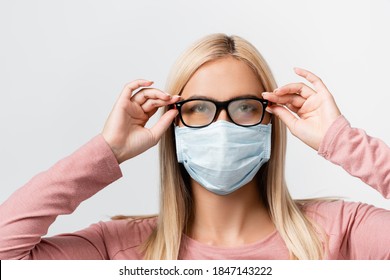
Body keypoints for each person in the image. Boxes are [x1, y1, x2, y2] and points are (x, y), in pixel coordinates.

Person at [0, 33, 389, 260]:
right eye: (200, 108)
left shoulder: (341, 233)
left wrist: (343, 142)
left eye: (245, 107)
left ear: (271, 119)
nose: (222, 125)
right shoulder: (120, 248)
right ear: (173, 122)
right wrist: (107, 150)